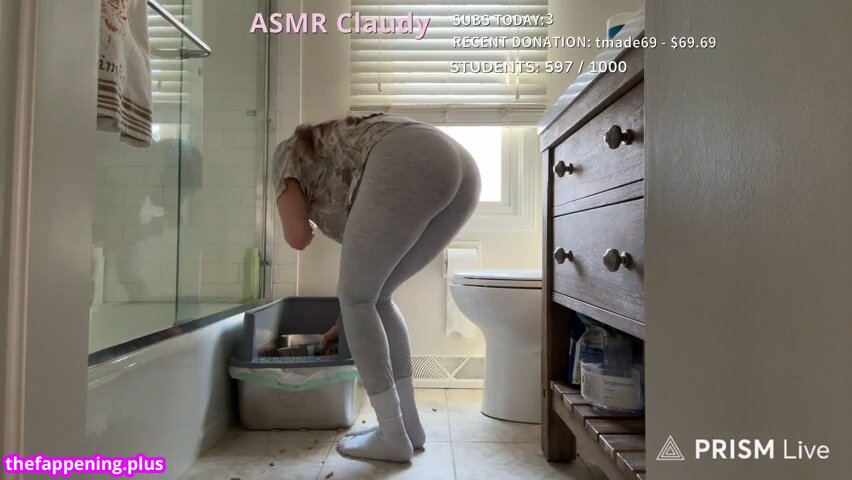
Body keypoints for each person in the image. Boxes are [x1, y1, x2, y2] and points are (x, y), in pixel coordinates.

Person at [272, 113, 481, 462]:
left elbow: (296, 236)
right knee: (376, 298)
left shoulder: (283, 155)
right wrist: (348, 319)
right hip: (460, 167)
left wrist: (304, 221)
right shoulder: (333, 147)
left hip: (412, 157)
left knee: (357, 299)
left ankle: (391, 434)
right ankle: (408, 427)